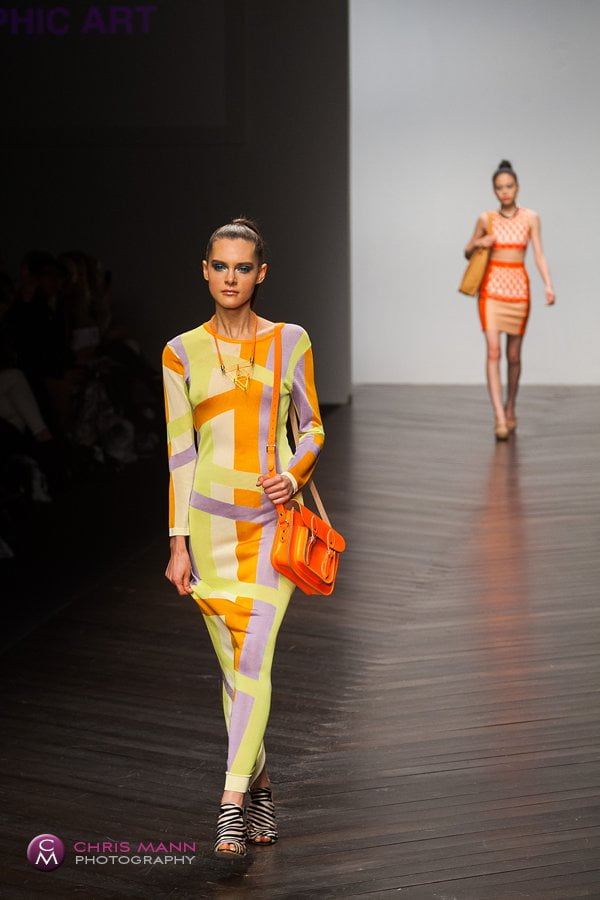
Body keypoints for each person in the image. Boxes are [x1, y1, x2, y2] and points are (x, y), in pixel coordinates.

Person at [162, 218, 325, 857]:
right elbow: (180, 454)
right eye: (221, 266)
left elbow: (311, 427)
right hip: (208, 529)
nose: (231, 278)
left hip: (269, 524)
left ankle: (229, 802)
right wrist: (178, 541)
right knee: (234, 669)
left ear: (262, 273)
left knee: (254, 659)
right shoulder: (180, 352)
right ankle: (261, 784)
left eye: (243, 267)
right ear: (205, 271)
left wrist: (293, 473)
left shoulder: (291, 341)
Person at [464, 160, 555, 439]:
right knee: (494, 352)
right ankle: (499, 417)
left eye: (509, 186)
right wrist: (479, 243)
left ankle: (511, 406)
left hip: (518, 290)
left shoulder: (530, 218)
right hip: (491, 289)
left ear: (517, 187)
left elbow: (539, 253)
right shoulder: (486, 219)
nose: (505, 192)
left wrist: (548, 285)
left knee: (514, 356)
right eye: (499, 188)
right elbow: (467, 251)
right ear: (494, 190)